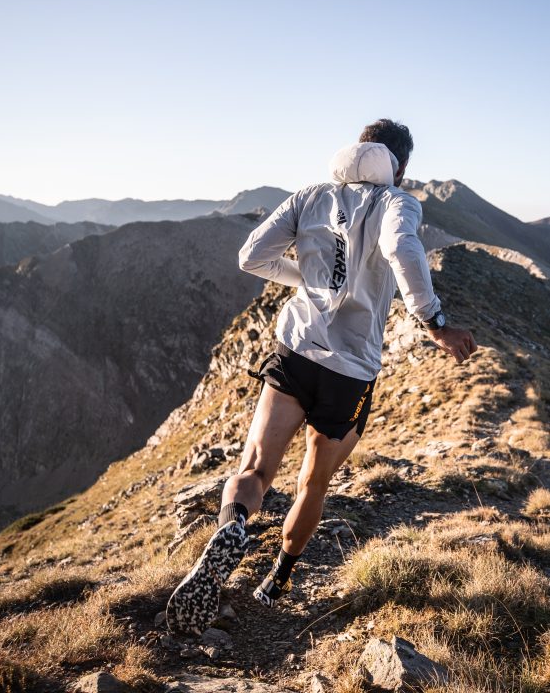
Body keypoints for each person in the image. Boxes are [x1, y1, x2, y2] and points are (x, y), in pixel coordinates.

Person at [165, 118, 477, 634]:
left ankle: (234, 525)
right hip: (348, 372)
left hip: (294, 351)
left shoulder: (310, 195)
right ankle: (278, 580)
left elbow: (251, 257)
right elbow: (402, 250)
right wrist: (436, 324)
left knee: (256, 468)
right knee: (313, 481)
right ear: (398, 165)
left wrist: (308, 281)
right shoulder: (398, 203)